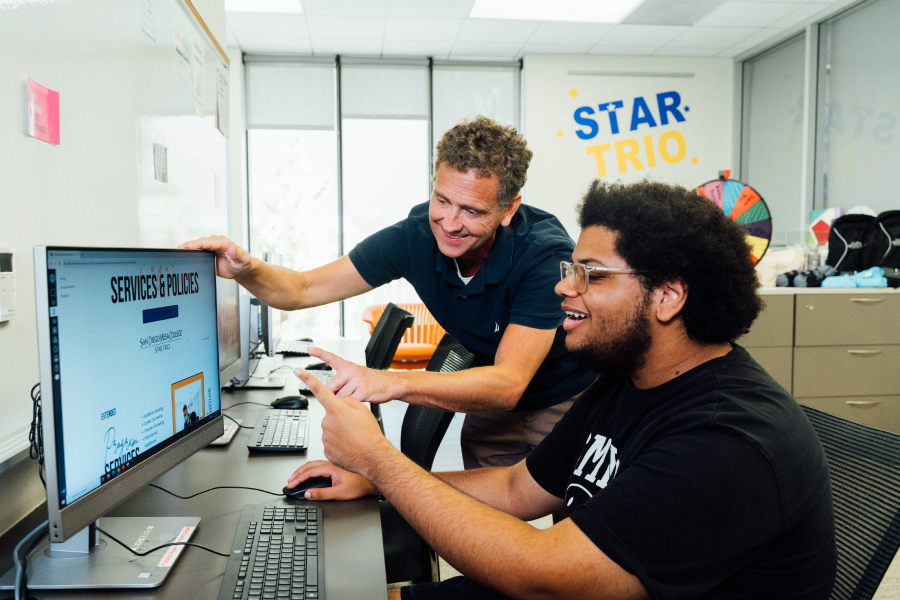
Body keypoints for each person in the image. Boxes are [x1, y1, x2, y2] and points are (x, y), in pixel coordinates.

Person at [288, 179, 837, 600]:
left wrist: (382, 463)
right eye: (571, 269)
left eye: (590, 275)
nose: (562, 287)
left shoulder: (727, 439)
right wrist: (373, 483)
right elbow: (515, 491)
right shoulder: (625, 384)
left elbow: (543, 575)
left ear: (668, 296)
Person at [181, 117, 597, 468]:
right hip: (488, 404)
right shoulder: (415, 236)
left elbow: (509, 384)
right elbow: (303, 289)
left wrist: (389, 382)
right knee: (489, 535)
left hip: (567, 400)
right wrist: (246, 268)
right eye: (442, 199)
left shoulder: (542, 256)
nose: (450, 224)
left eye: (472, 211)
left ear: (509, 209)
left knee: (579, 543)